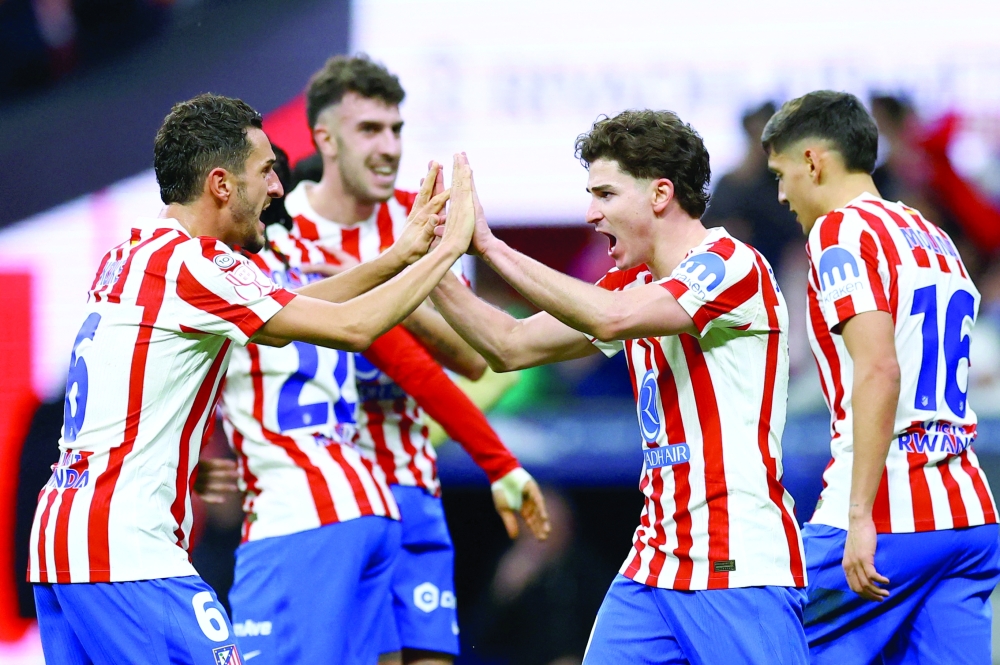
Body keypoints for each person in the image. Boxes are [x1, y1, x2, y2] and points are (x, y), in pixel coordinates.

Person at [25, 92, 476, 665]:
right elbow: (354, 327)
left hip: (61, 543)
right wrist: (445, 252)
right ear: (221, 184)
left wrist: (397, 256)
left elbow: (289, 305)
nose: (277, 188)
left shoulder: (135, 255)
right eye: (265, 171)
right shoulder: (197, 264)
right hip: (125, 550)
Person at [430, 111, 809, 665]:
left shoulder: (730, 267)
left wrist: (488, 246)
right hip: (654, 563)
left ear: (660, 193)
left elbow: (611, 319)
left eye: (605, 193)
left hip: (736, 561)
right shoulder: (632, 284)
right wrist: (433, 261)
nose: (590, 213)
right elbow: (507, 344)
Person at [220, 154, 548, 664]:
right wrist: (499, 464)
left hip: (295, 518)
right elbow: (418, 372)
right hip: (370, 506)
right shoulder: (322, 281)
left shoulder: (212, 285)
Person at [289, 54, 547, 665]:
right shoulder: (279, 229)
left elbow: (474, 356)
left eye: (396, 130)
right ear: (325, 137)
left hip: (411, 485)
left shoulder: (424, 219)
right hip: (320, 495)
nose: (388, 147)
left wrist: (395, 279)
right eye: (369, 130)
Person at [763, 90, 1000, 665]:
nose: (780, 192)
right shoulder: (936, 238)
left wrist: (858, 515)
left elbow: (877, 367)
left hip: (890, 513)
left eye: (782, 172)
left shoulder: (839, 234)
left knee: (760, 642)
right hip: (967, 517)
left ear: (814, 161)